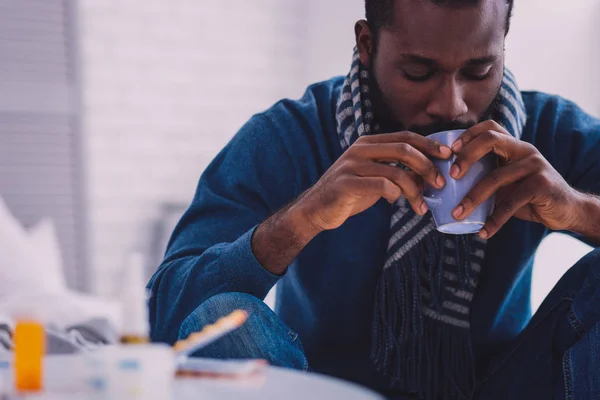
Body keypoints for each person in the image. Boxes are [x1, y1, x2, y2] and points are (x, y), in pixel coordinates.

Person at [147, 0, 600, 398]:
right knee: (223, 318)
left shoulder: (548, 132)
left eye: (479, 71)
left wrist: (579, 212)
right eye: (418, 72)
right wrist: (301, 219)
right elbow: (162, 315)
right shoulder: (290, 135)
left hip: (504, 386)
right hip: (325, 390)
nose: (452, 105)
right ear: (367, 44)